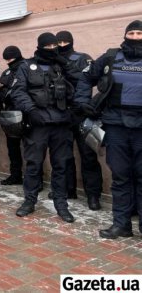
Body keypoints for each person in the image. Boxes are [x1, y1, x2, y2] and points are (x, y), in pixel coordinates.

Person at [75, 20, 142, 238]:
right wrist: (83, 101)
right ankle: (121, 224)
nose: (135, 36)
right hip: (116, 125)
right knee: (121, 176)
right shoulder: (111, 57)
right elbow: (86, 77)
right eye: (131, 32)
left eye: (139, 33)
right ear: (125, 35)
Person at [11, 33, 76, 222]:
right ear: (39, 46)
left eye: (54, 45)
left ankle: (61, 204)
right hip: (38, 124)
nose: (52, 49)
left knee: (61, 166)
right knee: (33, 165)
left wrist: (66, 65)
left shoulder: (62, 65)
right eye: (47, 46)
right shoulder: (26, 66)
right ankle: (29, 201)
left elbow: (78, 86)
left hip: (61, 124)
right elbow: (18, 91)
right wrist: (31, 110)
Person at [54, 30, 102, 210]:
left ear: (71, 42)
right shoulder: (52, 60)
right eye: (58, 42)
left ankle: (93, 196)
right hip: (62, 113)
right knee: (64, 156)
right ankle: (68, 189)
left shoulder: (83, 58)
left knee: (88, 156)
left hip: (81, 113)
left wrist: (66, 64)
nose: (61, 44)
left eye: (65, 41)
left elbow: (88, 79)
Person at [0, 46, 26, 185]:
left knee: (30, 149)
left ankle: (35, 179)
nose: (8, 62)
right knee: (13, 148)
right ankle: (15, 175)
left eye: (10, 59)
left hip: (26, 113)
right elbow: (2, 92)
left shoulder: (27, 68)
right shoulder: (7, 72)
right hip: (10, 113)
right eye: (6, 59)